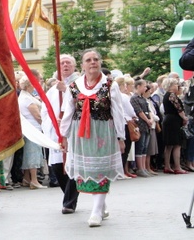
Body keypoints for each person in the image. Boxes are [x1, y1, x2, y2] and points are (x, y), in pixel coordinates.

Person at [60, 49, 125, 227]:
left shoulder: (110, 85)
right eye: (88, 60)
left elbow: (118, 112)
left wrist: (121, 136)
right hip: (81, 134)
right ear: (82, 65)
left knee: (101, 170)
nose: (92, 62)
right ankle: (101, 206)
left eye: (96, 59)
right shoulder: (74, 86)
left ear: (100, 62)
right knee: (88, 173)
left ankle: (96, 211)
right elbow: (68, 112)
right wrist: (64, 135)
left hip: (104, 132)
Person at [41, 54, 80, 213]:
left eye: (68, 63)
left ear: (74, 66)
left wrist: (68, 90)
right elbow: (45, 111)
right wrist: (52, 123)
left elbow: (85, 102)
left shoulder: (80, 84)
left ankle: (69, 202)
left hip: (74, 132)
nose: (65, 65)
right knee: (58, 167)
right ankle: (70, 196)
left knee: (73, 166)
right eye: (62, 63)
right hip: (56, 133)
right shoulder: (52, 91)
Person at [18, 75, 47, 189]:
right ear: (29, 85)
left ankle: (26, 178)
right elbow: (37, 116)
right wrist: (44, 125)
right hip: (33, 129)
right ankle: (34, 180)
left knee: (28, 153)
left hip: (28, 129)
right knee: (33, 153)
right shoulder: (27, 99)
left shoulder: (24, 96)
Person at [161, 77, 189, 174]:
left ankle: (167, 166)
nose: (177, 86)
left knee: (169, 145)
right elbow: (179, 109)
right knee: (177, 144)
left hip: (168, 120)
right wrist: (185, 118)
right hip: (173, 121)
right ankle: (177, 167)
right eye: (176, 84)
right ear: (171, 85)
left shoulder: (166, 95)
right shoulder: (172, 95)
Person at [130, 79, 152, 177]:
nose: (146, 88)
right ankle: (140, 168)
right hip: (141, 124)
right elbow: (139, 111)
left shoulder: (143, 98)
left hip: (147, 124)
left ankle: (143, 167)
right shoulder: (134, 98)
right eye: (144, 86)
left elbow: (148, 110)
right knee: (140, 146)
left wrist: (150, 119)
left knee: (145, 147)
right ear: (138, 86)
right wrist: (147, 120)